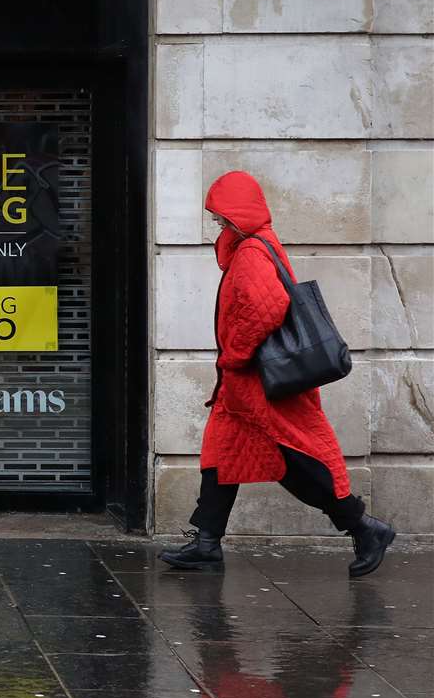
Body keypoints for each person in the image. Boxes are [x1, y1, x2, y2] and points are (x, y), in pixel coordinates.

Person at [160, 171, 396, 577]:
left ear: (238, 215)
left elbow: (265, 309)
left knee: (296, 460)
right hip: (242, 386)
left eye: (221, 218)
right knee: (220, 455)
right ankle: (206, 543)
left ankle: (362, 525)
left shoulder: (252, 252)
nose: (217, 224)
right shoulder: (252, 246)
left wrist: (234, 355)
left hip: (258, 384)